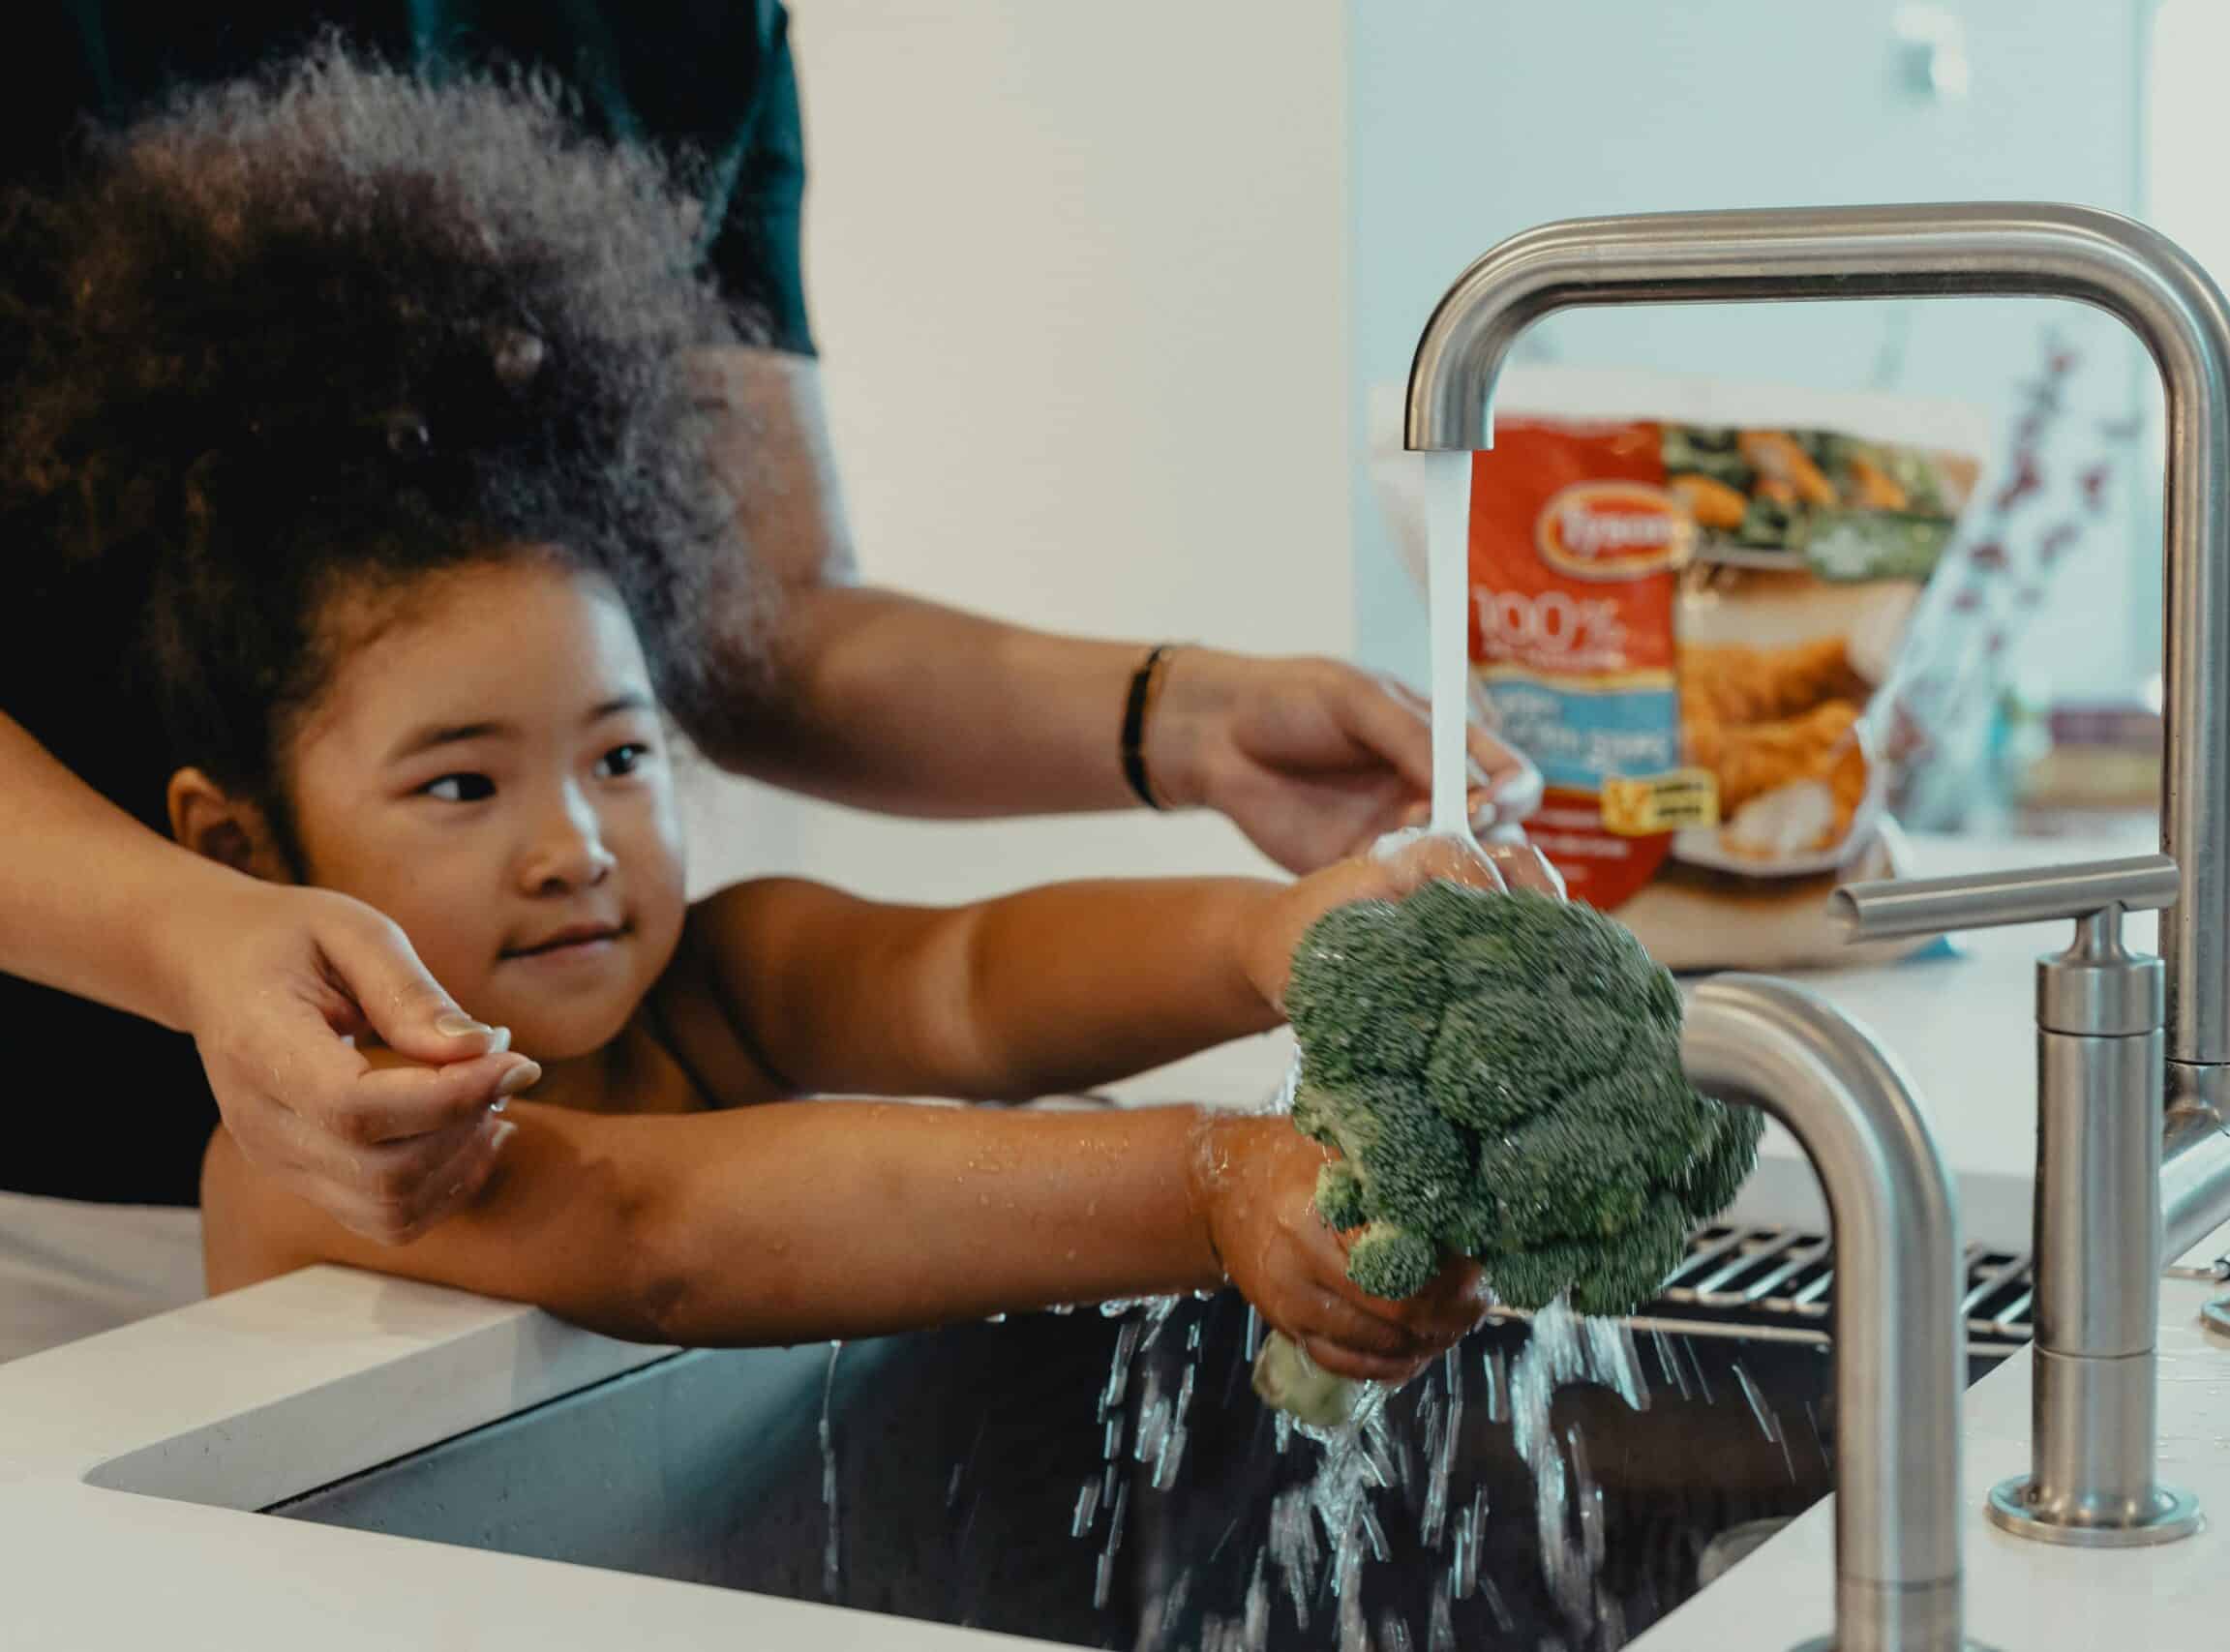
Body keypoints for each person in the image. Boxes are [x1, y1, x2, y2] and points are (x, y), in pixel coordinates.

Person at [0, 0, 1536, 1319]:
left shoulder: (706, 987)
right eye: (464, 783)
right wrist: (1202, 1181)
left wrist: (1286, 940)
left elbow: (966, 984)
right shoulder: (325, 1154)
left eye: (619, 752)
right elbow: (659, 1230)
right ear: (234, 842)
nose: (576, 845)